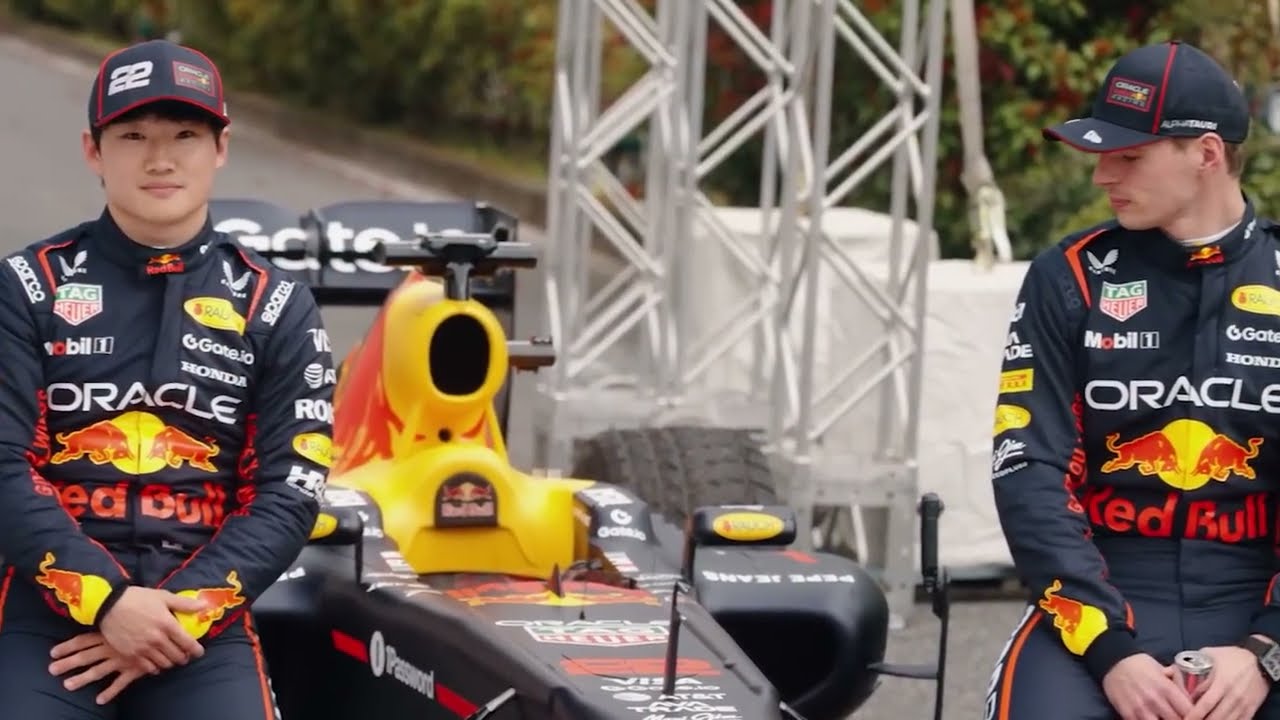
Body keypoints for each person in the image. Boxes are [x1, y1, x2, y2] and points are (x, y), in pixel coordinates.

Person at [0, 38, 333, 718]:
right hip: (48, 613)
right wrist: (109, 602)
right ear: (94, 150)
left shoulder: (276, 305)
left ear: (220, 147)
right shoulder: (25, 287)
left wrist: (170, 617)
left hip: (200, 620)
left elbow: (289, 492)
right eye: (133, 136)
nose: (160, 158)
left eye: (185, 134)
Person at [985, 40, 1280, 720]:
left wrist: (1266, 651)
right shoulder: (1069, 276)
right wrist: (1109, 651)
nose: (1101, 176)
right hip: (1105, 591)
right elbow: (1028, 467)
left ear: (1206, 154)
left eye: (1129, 157)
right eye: (1100, 155)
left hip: (1259, 592)